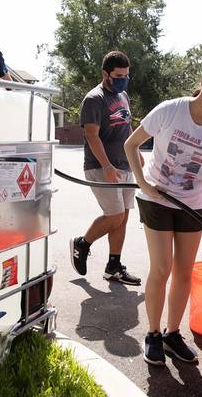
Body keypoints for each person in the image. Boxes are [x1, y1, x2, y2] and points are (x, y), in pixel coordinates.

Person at [123, 59, 202, 366]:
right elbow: (131, 144)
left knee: (184, 273)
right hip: (156, 198)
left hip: (193, 203)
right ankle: (152, 334)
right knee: (161, 268)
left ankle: (171, 334)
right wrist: (143, 184)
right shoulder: (171, 110)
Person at [70, 51, 142, 286]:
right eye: (118, 75)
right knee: (115, 216)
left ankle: (113, 266)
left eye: (126, 75)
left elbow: (126, 127)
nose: (123, 79)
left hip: (124, 164)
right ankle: (83, 243)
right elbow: (91, 136)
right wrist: (107, 166)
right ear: (105, 74)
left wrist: (136, 152)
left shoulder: (123, 95)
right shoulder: (94, 99)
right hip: (101, 167)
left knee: (123, 217)